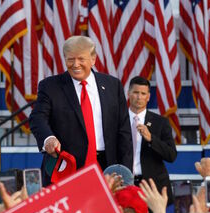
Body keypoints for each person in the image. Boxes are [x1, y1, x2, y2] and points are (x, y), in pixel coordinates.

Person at [29, 36, 133, 185]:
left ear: (93, 59)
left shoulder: (112, 85)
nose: (75, 64)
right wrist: (48, 138)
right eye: (70, 59)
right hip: (67, 169)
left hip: (107, 169)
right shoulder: (50, 86)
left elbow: (124, 133)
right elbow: (38, 118)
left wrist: (126, 173)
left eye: (81, 59)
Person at [127, 76, 176, 208]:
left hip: (152, 186)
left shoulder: (160, 122)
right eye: (135, 93)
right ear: (128, 94)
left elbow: (171, 155)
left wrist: (151, 139)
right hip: (125, 185)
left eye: (143, 93)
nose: (139, 97)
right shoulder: (118, 120)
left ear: (148, 97)